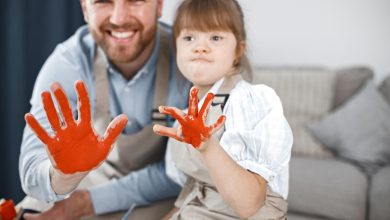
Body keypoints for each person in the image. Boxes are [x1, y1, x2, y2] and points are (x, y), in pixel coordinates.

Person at [19, 0, 191, 219]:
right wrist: (62, 176)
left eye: (135, 1)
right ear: (84, 8)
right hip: (80, 184)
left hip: (160, 195)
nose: (119, 19)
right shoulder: (68, 62)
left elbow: (184, 170)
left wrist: (88, 202)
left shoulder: (191, 58)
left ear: (159, 6)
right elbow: (32, 173)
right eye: (102, 2)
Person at [152, 0, 293, 219]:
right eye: (189, 38)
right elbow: (193, 192)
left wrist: (208, 147)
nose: (200, 47)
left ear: (239, 49)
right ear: (177, 47)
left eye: (215, 38)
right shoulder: (187, 112)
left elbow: (249, 205)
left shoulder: (249, 101)